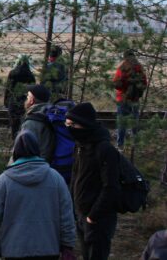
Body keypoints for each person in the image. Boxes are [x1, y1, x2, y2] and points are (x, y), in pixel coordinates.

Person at [0, 131, 76, 260]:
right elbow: (66, 215)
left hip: (13, 250)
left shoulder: (3, 181)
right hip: (49, 248)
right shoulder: (56, 178)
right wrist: (67, 245)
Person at [66, 102, 120, 260]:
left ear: (84, 125)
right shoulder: (80, 146)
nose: (68, 128)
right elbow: (75, 177)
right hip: (81, 215)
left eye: (72, 125)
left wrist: (93, 216)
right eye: (67, 124)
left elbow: (111, 187)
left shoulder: (105, 150)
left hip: (98, 219)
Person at [112, 49, 148, 149]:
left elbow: (116, 84)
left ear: (125, 57)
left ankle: (120, 145)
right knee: (135, 122)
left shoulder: (122, 67)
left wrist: (124, 86)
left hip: (122, 99)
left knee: (122, 122)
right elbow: (144, 83)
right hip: (135, 99)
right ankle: (136, 144)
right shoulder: (139, 67)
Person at [4, 54, 36, 139]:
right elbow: (33, 90)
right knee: (24, 122)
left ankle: (15, 141)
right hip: (25, 101)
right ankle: (22, 141)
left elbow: (8, 88)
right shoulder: (30, 75)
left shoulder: (12, 73)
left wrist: (6, 101)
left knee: (14, 123)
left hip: (13, 100)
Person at [19, 84, 54, 161]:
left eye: (27, 96)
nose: (26, 99)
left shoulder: (32, 122)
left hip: (37, 165)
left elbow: (25, 150)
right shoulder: (51, 114)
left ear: (32, 100)